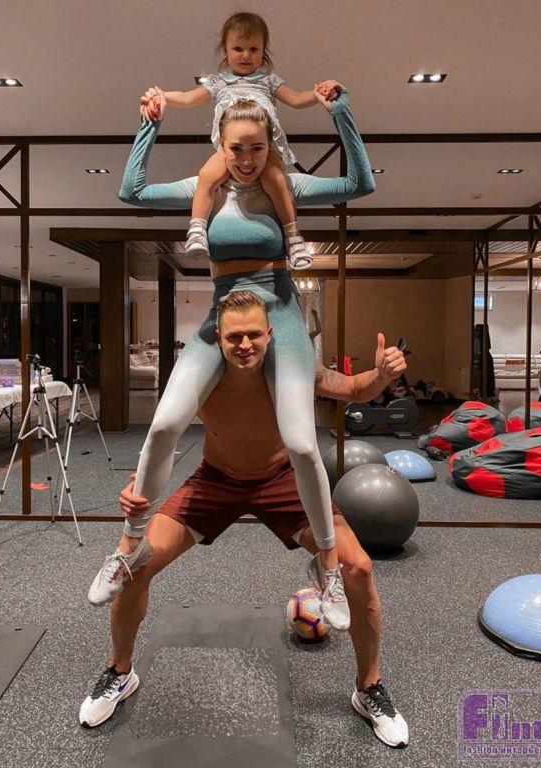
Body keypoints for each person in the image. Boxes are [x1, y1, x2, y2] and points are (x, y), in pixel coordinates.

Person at [88, 73, 376, 630]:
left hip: (280, 316)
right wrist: (149, 125)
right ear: (220, 144)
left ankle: (329, 568)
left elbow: (359, 183)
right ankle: (127, 549)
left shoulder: (285, 184)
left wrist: (341, 112)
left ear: (271, 145)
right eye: (236, 148)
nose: (246, 160)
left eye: (257, 148)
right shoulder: (207, 186)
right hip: (224, 316)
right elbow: (132, 192)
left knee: (302, 443)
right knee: (165, 422)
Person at [79, 291, 409, 749]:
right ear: (218, 337)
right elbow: (163, 435)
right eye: (234, 337)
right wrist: (138, 487)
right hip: (215, 481)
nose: (245, 345)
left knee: (358, 568)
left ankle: (369, 687)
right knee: (137, 564)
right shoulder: (202, 377)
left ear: (270, 334)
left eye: (254, 334)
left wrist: (383, 375)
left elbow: (354, 389)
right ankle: (119, 672)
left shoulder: (292, 369)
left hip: (283, 482)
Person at [149, 11, 337, 269]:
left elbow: (295, 99)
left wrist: (316, 94)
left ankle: (293, 236)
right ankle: (197, 228)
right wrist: (162, 96)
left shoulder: (268, 81)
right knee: (206, 175)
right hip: (231, 150)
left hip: (264, 149)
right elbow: (187, 98)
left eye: (253, 49)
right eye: (238, 48)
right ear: (225, 50)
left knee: (276, 180)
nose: (246, 55)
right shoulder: (218, 82)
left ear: (263, 51)